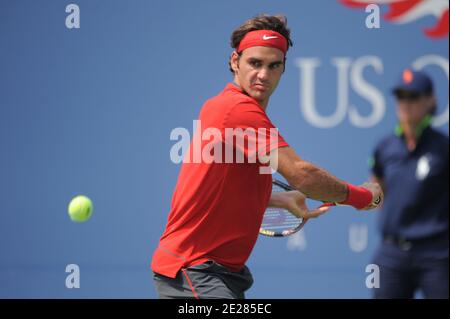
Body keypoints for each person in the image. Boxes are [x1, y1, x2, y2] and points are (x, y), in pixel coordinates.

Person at [151, 14, 383, 299]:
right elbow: (302, 174)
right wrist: (363, 197)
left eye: (274, 66)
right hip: (195, 272)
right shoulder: (236, 110)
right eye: (254, 63)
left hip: (213, 274)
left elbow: (218, 190)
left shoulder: (229, 110)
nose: (263, 75)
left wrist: (277, 199)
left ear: (283, 68)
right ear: (235, 62)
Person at [370, 69, 449, 299]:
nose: (405, 103)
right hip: (391, 254)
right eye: (400, 96)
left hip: (436, 254)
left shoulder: (443, 148)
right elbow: (377, 193)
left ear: (430, 100)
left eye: (413, 96)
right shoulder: (384, 147)